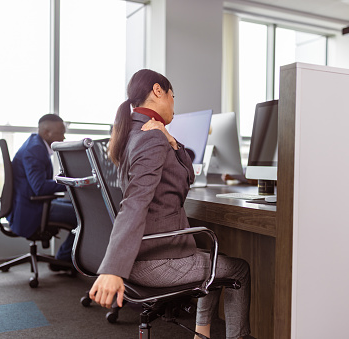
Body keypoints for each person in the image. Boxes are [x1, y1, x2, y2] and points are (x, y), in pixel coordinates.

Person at [89, 69, 251, 339]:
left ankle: (202, 334)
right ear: (157, 91)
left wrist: (170, 139)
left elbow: (186, 176)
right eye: (172, 96)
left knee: (212, 258)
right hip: (156, 261)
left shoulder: (134, 134)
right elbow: (135, 204)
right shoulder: (150, 137)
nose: (174, 105)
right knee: (239, 269)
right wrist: (112, 269)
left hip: (145, 252)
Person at [7, 114, 77, 267]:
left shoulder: (35, 144)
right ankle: (63, 260)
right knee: (83, 215)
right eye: (61, 132)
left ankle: (64, 258)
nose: (64, 137)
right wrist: (70, 182)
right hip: (32, 209)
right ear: (46, 133)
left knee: (76, 207)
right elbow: (39, 188)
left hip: (28, 204)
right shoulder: (35, 150)